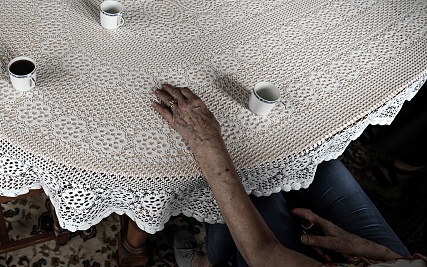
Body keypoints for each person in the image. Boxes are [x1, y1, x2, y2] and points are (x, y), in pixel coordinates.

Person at [152, 83, 427, 267]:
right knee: (318, 160)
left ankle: (206, 261)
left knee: (252, 187)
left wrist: (206, 140)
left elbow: (263, 253)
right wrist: (370, 253)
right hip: (399, 261)